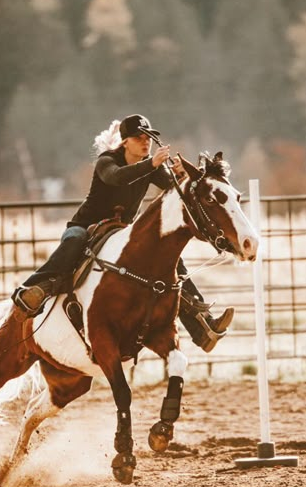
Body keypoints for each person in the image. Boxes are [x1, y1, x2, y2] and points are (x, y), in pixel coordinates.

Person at [12, 114, 234, 352]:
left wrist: (182, 175)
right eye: (139, 138)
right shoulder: (107, 161)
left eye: (148, 138)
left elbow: (175, 189)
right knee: (74, 240)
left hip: (121, 232)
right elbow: (116, 178)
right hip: (86, 226)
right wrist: (151, 164)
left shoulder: (149, 165)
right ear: (125, 141)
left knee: (172, 262)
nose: (145, 142)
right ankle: (30, 291)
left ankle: (203, 327)